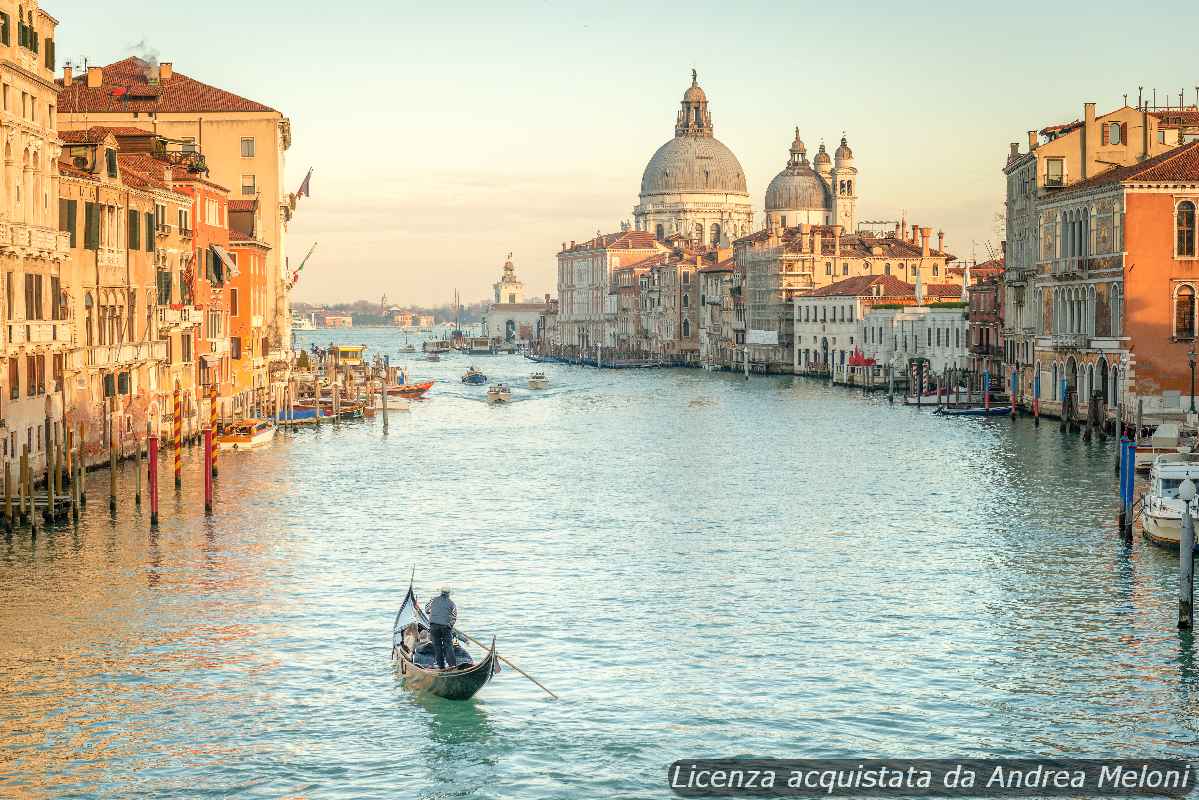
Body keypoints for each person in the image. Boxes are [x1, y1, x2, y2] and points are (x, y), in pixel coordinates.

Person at [424, 587, 458, 669]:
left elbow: (426, 610)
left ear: (441, 593)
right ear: (449, 594)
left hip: (434, 625)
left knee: (437, 646)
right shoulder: (452, 603)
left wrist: (434, 615)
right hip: (445, 626)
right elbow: (454, 617)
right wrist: (450, 626)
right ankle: (452, 665)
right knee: (448, 646)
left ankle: (441, 666)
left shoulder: (433, 600)